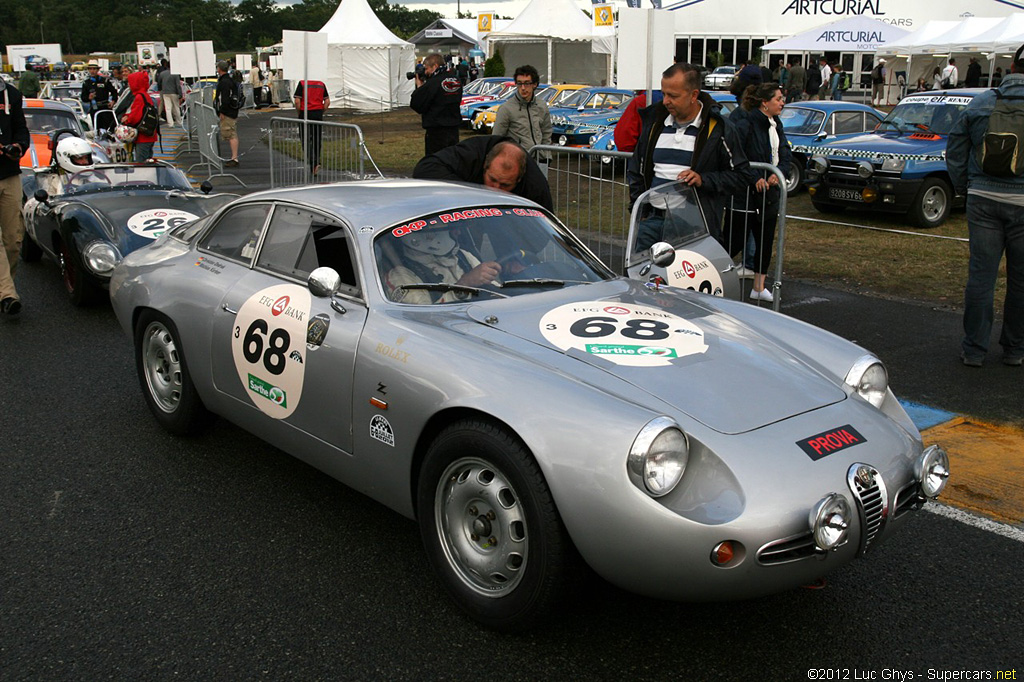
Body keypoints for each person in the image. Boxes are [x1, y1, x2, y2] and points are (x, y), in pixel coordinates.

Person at [946, 43, 1024, 368]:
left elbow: (956, 148)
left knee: (981, 277)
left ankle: (974, 349)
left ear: (1012, 69)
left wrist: (965, 187)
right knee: (1020, 281)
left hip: (983, 198)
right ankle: (1015, 349)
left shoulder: (982, 101)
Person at [627, 62, 750, 251]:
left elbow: (742, 175)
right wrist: (638, 209)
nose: (666, 100)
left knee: (683, 281)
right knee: (641, 279)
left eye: (673, 96)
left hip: (693, 225)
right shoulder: (654, 124)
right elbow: (636, 169)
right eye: (664, 93)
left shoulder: (719, 128)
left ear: (694, 95)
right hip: (651, 220)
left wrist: (704, 180)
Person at [725, 83, 791, 303]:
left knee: (765, 241)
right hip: (745, 195)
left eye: (782, 98)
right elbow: (737, 155)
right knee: (733, 241)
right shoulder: (746, 123)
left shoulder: (776, 124)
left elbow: (784, 152)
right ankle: (714, 277)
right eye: (778, 99)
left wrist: (778, 172)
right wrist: (755, 178)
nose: (782, 102)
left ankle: (759, 286)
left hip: (769, 194)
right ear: (765, 102)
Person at [413, 136, 553, 210]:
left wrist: (517, 256)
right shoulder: (473, 154)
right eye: (492, 179)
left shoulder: (536, 187)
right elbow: (424, 169)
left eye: (505, 185)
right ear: (485, 165)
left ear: (519, 179)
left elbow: (541, 232)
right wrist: (473, 195)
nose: (495, 189)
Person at [383, 225, 502, 304]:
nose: (458, 232)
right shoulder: (400, 276)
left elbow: (495, 290)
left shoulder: (462, 255)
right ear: (425, 236)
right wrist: (464, 285)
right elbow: (422, 322)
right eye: (449, 228)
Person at [0, 80, 29, 316]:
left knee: (13, 240)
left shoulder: (11, 93)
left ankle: (3, 288)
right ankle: (8, 294)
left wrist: (19, 146)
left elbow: (21, 128)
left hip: (10, 174)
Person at [409, 53, 463, 156]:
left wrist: (420, 86)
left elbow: (417, 104)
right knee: (452, 158)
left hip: (436, 130)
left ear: (435, 66)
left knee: (436, 161)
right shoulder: (456, 80)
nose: (425, 72)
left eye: (426, 68)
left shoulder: (433, 83)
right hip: (453, 128)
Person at [491, 64, 551, 151]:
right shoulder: (506, 109)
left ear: (534, 84)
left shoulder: (541, 105)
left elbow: (547, 132)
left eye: (527, 83)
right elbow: (496, 139)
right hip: (516, 160)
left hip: (539, 159)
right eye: (519, 83)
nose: (523, 88)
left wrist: (546, 155)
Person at [293, 78, 330, 175]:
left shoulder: (302, 83)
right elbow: (327, 101)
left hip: (305, 113)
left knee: (305, 139)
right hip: (317, 113)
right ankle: (316, 161)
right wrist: (321, 112)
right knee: (316, 139)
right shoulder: (321, 84)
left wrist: (299, 112)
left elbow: (297, 101)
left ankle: (313, 162)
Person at [120, 71, 159, 162]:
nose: (129, 85)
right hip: (149, 134)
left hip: (142, 136)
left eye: (131, 82)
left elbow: (135, 117)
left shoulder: (139, 97)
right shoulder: (145, 95)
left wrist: (126, 119)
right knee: (148, 160)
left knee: (141, 163)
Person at [213, 60, 240, 167]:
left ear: (219, 69)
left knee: (231, 133)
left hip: (228, 112)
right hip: (232, 110)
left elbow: (224, 99)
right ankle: (234, 157)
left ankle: (234, 158)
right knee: (231, 133)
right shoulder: (230, 80)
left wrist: (222, 111)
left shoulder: (224, 82)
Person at [156, 60, 182, 128]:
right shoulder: (175, 74)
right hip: (174, 92)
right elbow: (178, 85)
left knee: (168, 108)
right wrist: (180, 93)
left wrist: (160, 89)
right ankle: (179, 122)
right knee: (176, 107)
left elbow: (159, 83)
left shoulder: (162, 74)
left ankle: (170, 123)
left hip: (165, 92)